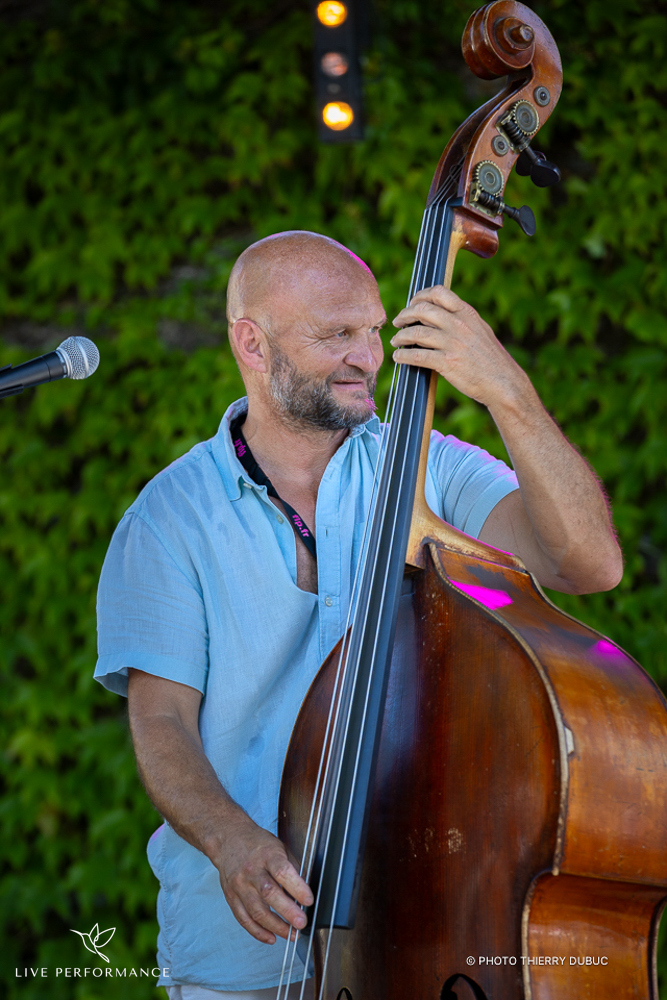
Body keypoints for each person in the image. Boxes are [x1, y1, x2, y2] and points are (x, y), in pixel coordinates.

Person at [95, 231, 622, 999]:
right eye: (335, 334)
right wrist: (232, 842)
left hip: (419, 924)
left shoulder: (429, 468)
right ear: (251, 343)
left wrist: (507, 391)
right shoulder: (168, 518)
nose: (367, 357)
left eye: (373, 330)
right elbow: (161, 720)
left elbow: (587, 565)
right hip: (241, 952)